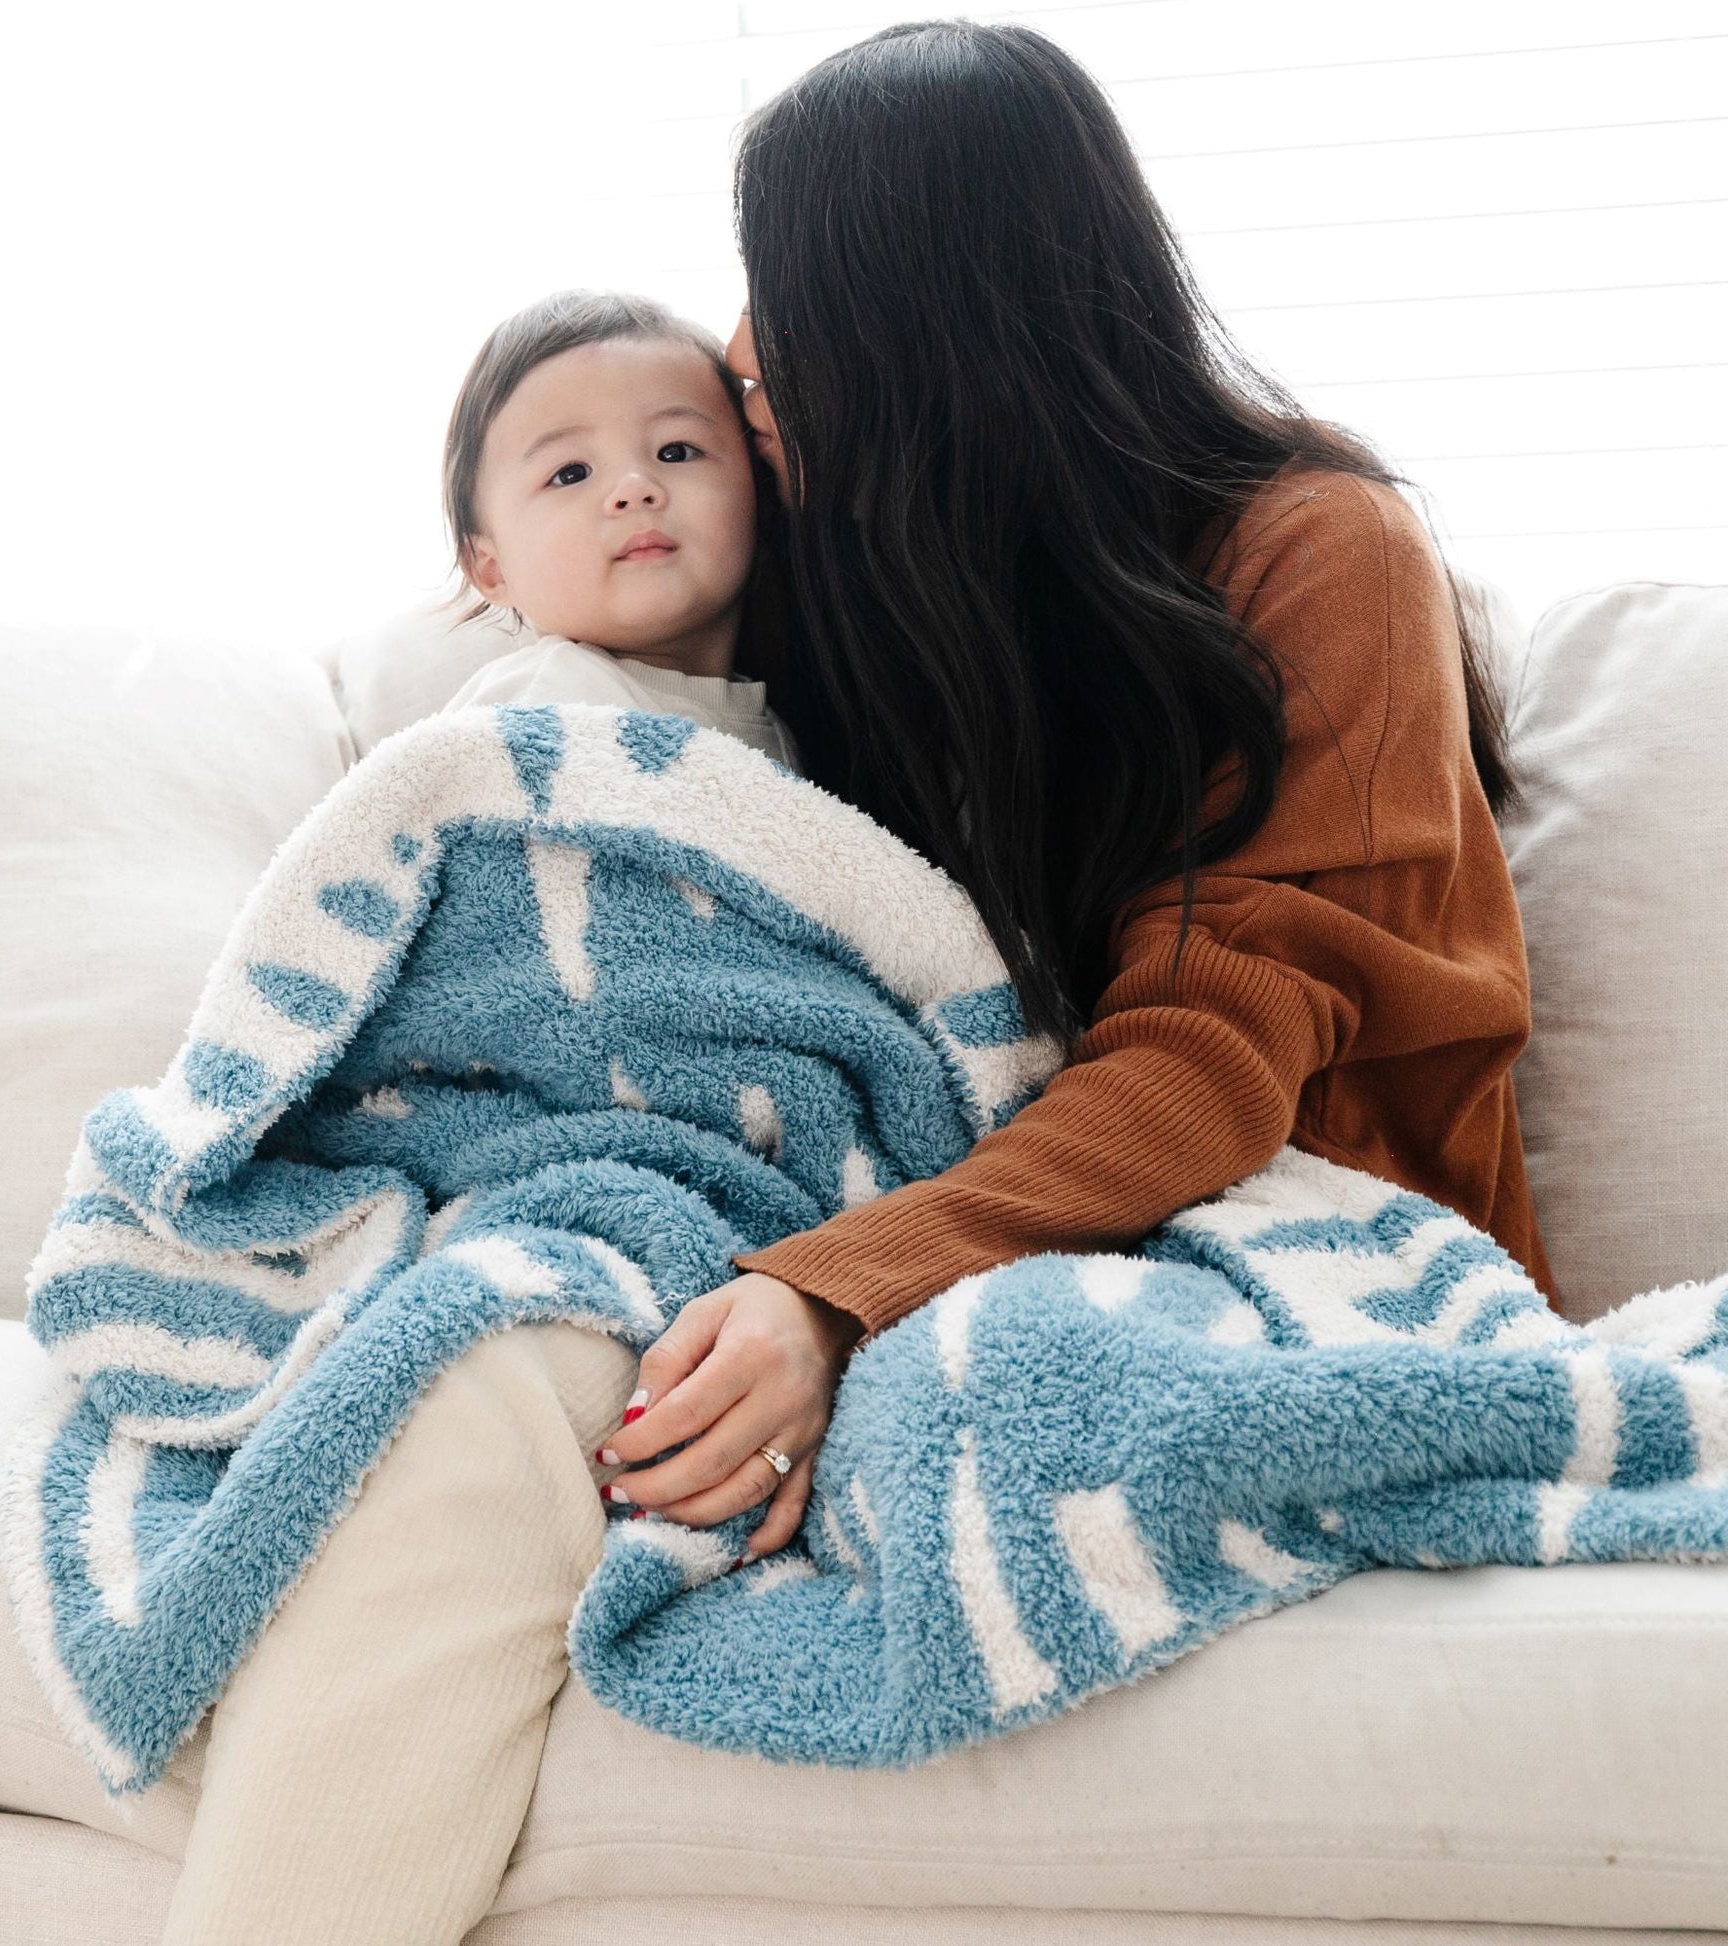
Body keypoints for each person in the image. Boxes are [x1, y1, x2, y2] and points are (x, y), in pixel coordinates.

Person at [159, 21, 1556, 1944]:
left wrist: (834, 1289)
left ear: (925, 314)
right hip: (948, 1194)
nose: (745, 352)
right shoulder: (888, 556)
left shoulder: (1319, 549)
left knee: (932, 1405)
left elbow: (1217, 1052)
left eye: (783, 298)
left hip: (1288, 1217)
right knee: (505, 1357)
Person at [436, 289, 799, 772]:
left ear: (759, 488)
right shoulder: (535, 713)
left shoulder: (778, 725)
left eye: (675, 452)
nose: (634, 489)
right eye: (571, 473)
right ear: (491, 568)